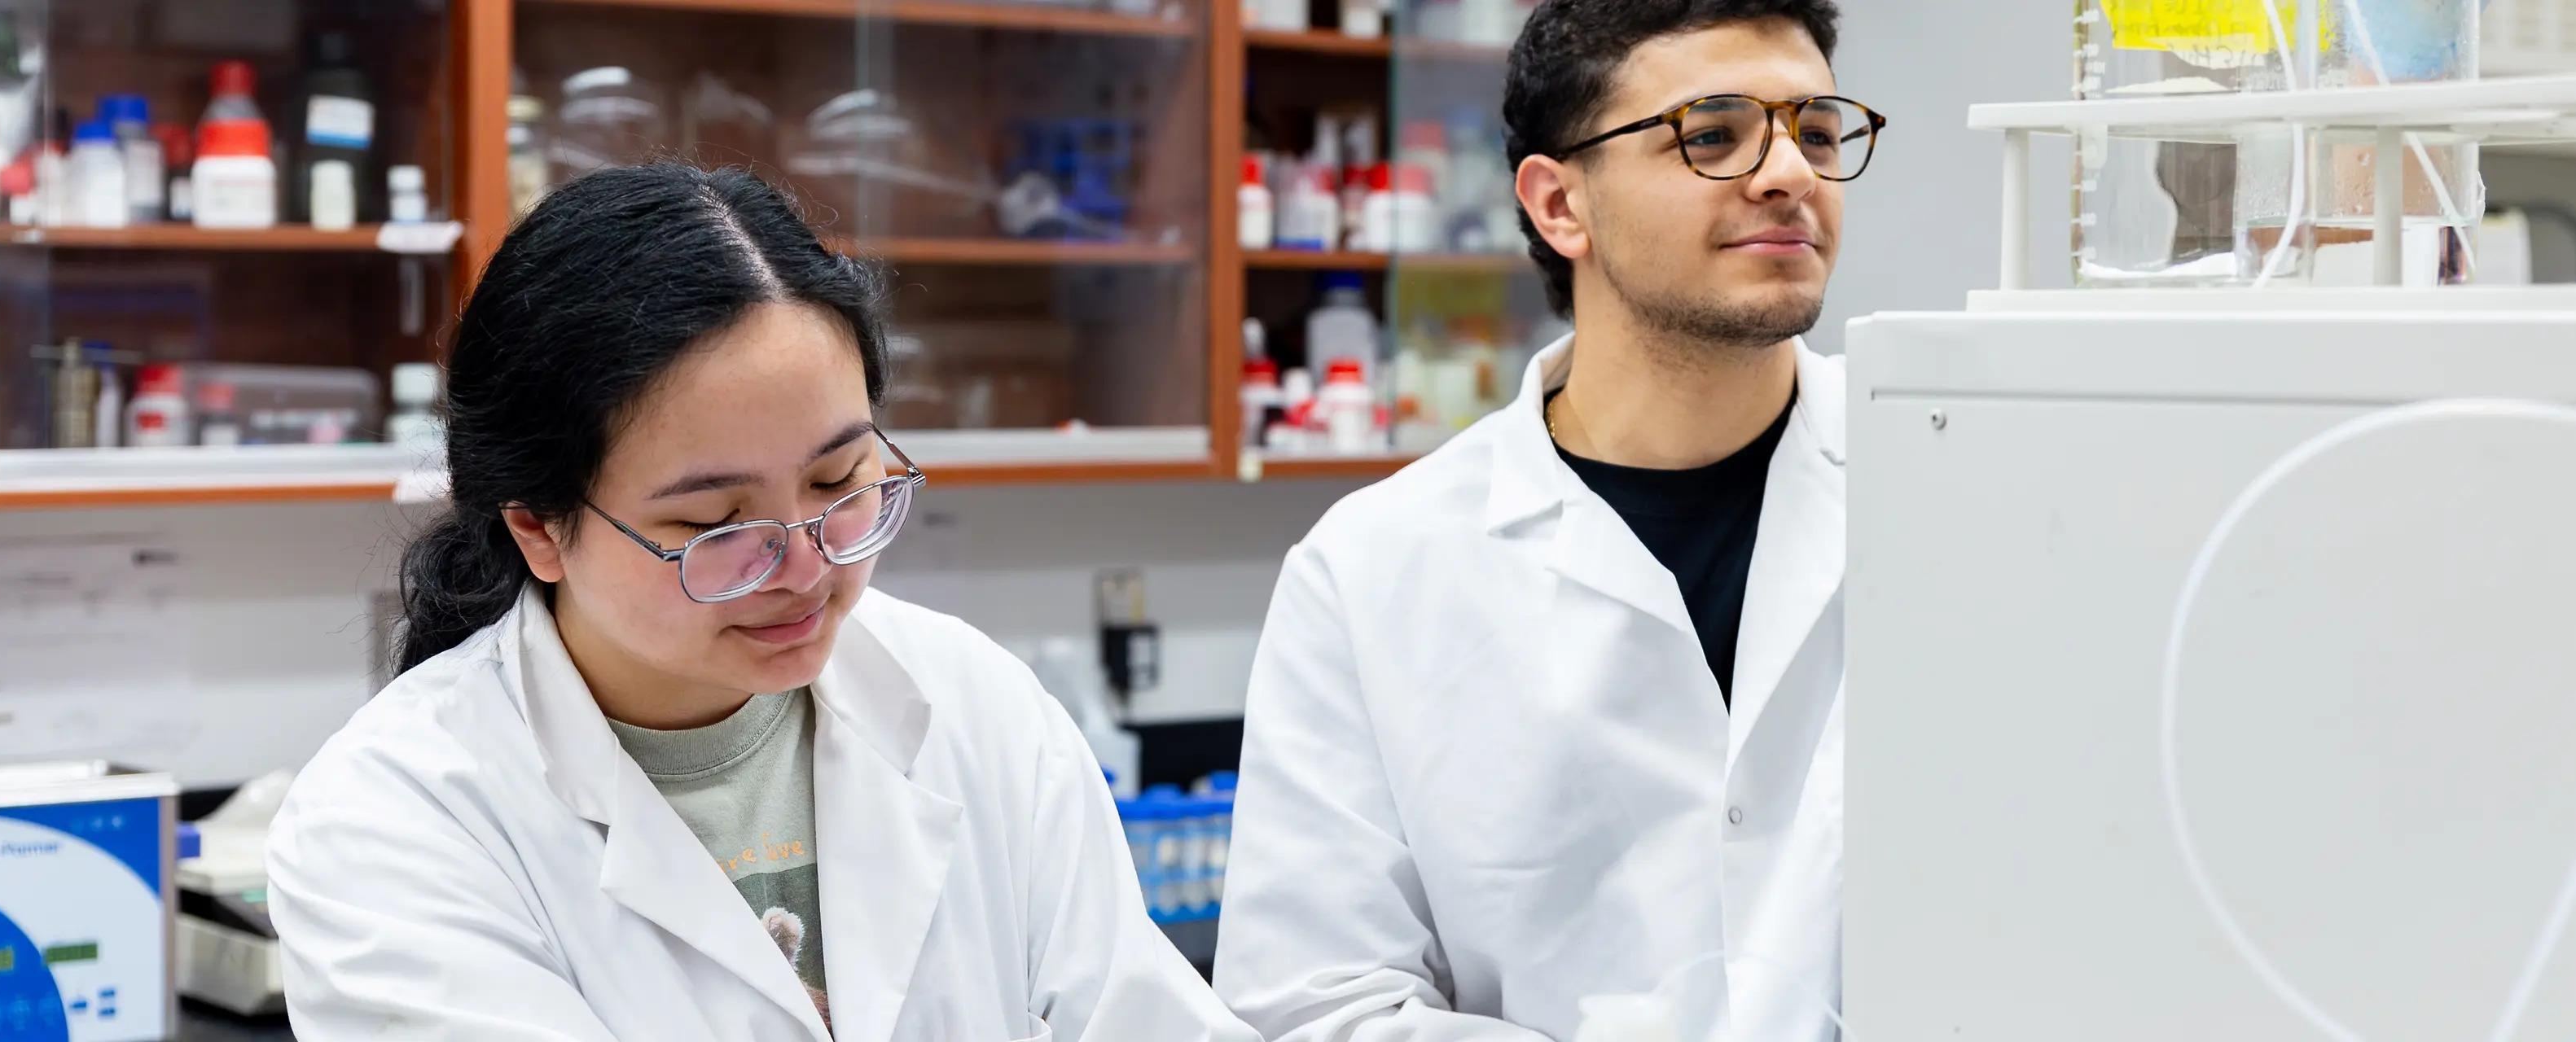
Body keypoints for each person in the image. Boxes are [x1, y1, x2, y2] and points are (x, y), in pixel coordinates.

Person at [266, 164, 1256, 1042]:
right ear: (538, 527)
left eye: (838, 484)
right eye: (714, 523)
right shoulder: (397, 820)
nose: (805, 568)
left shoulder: (975, 706)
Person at [1215, 0, 1876, 1037]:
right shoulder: (1376, 567)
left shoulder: (1948, 495)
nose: (1791, 172)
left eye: (1820, 131)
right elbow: (1316, 1005)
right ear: (1559, 204)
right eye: (1713, 136)